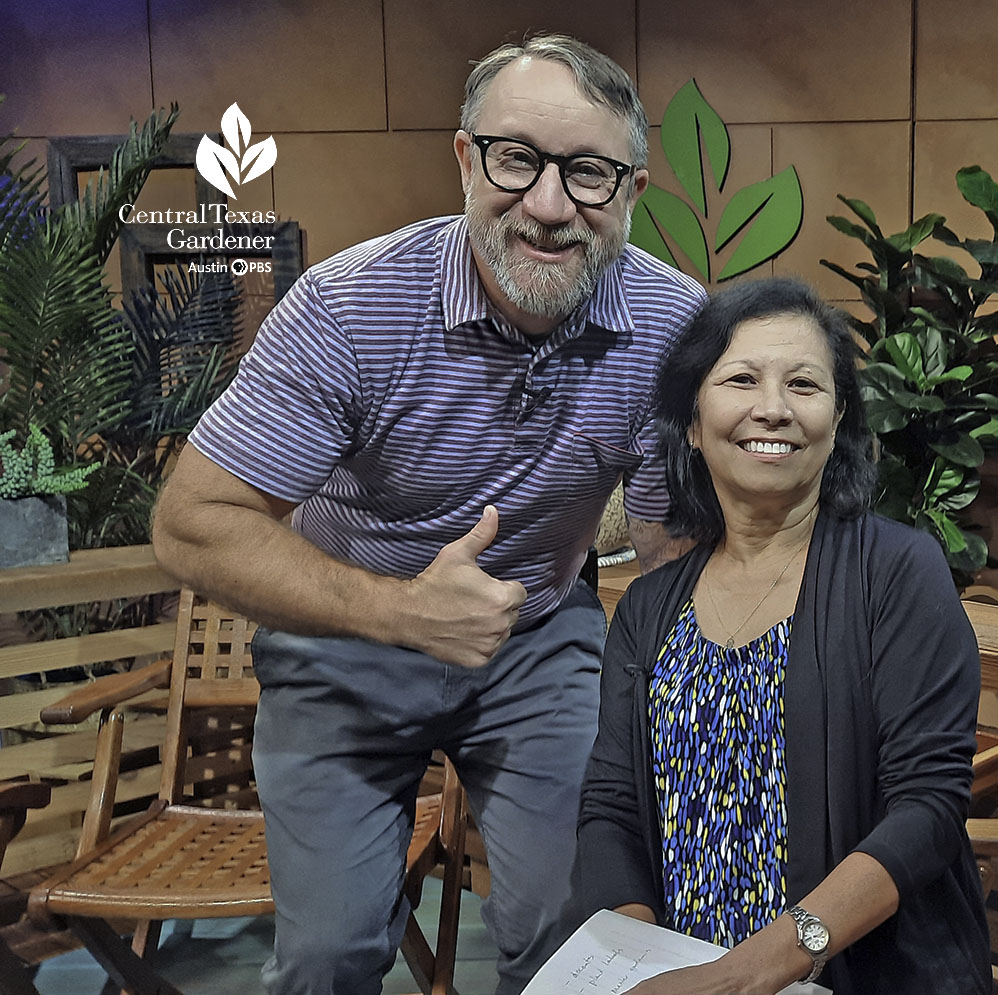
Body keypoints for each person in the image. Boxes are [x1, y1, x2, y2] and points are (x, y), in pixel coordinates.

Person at [152, 33, 705, 995]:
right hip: (341, 645)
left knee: (576, 930)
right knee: (330, 956)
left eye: (588, 173)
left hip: (538, 637)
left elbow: (667, 551)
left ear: (631, 191)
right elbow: (193, 521)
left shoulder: (672, 326)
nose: (546, 204)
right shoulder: (349, 305)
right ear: (464, 157)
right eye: (517, 157)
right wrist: (402, 611)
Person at [576, 277, 991, 994]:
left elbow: (926, 804)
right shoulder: (647, 609)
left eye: (804, 383)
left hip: (853, 975)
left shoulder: (896, 570)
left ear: (837, 423)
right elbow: (612, 807)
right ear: (694, 423)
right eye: (741, 378)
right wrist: (640, 962)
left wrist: (747, 973)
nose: (773, 407)